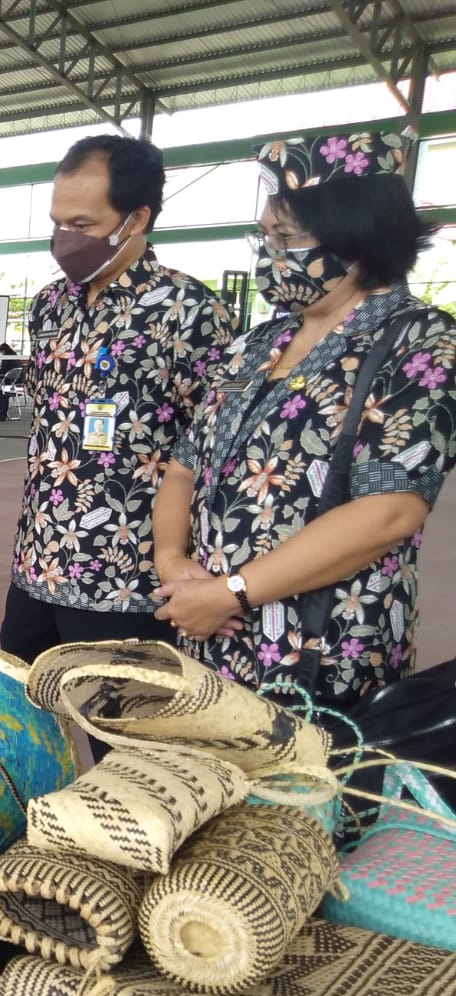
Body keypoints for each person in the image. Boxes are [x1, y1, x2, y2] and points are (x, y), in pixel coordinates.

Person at [153, 130, 456, 707]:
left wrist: (233, 592)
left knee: (305, 792)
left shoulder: (420, 342)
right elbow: (185, 467)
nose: (270, 252)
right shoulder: (256, 344)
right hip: (211, 634)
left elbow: (388, 511)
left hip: (324, 650)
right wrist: (175, 564)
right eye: (264, 235)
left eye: (287, 236)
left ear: (355, 238)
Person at [1, 134, 232, 675]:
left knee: (126, 744)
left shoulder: (187, 311)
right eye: (57, 222)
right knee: (18, 727)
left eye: (82, 225)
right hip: (38, 565)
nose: (64, 239)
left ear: (136, 218)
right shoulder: (48, 307)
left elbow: (214, 451)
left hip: (129, 583)